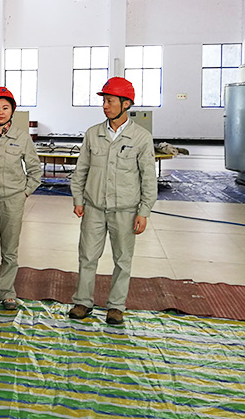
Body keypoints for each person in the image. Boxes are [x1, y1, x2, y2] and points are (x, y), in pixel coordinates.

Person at [69, 77, 157, 325]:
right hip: (94, 207)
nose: (105, 106)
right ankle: (82, 302)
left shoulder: (141, 137)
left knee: (122, 260)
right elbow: (81, 169)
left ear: (126, 103)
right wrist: (78, 198)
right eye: (104, 101)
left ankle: (116, 306)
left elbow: (148, 177)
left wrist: (144, 211)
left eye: (110, 101)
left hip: (125, 210)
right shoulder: (93, 133)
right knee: (87, 256)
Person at [0, 87, 42, 311]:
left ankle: (7, 292)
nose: (0, 112)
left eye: (5, 108)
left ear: (12, 111)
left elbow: (35, 171)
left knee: (9, 249)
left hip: (13, 199)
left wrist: (24, 193)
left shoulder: (21, 137)